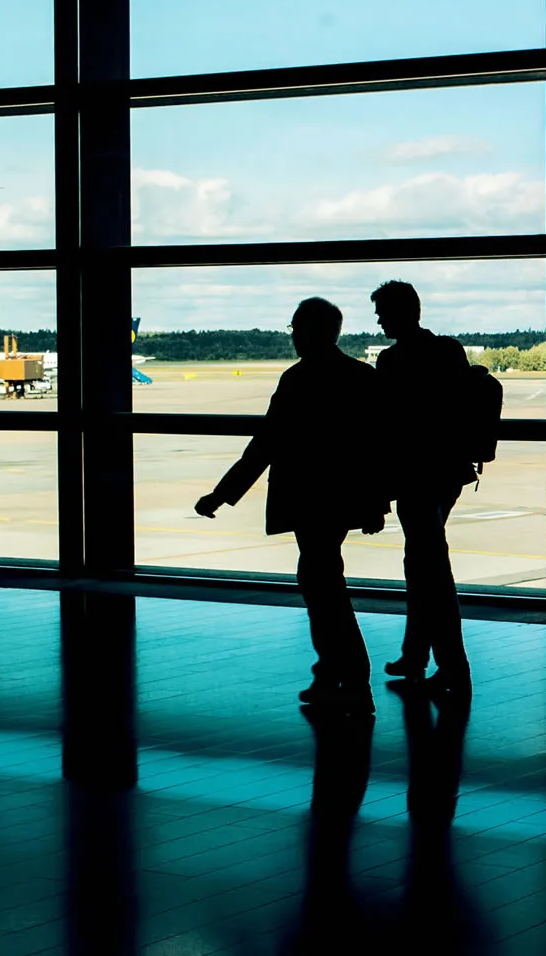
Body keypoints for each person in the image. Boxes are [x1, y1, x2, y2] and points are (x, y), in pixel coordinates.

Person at [196, 298, 387, 714]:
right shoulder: (360, 377)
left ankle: (350, 676)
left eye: (297, 329)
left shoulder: (297, 380)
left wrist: (223, 493)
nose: (293, 336)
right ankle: (336, 673)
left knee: (323, 586)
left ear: (312, 331)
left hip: (307, 497)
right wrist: (376, 505)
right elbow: (377, 450)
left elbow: (265, 444)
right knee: (322, 581)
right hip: (339, 499)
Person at [369, 280, 477, 696]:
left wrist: (377, 490)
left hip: (414, 475)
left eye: (382, 312)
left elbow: (385, 429)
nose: (378, 320)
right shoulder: (449, 350)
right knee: (422, 563)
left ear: (400, 312)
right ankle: (416, 654)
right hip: (448, 471)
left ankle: (453, 666)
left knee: (429, 569)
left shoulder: (393, 361)